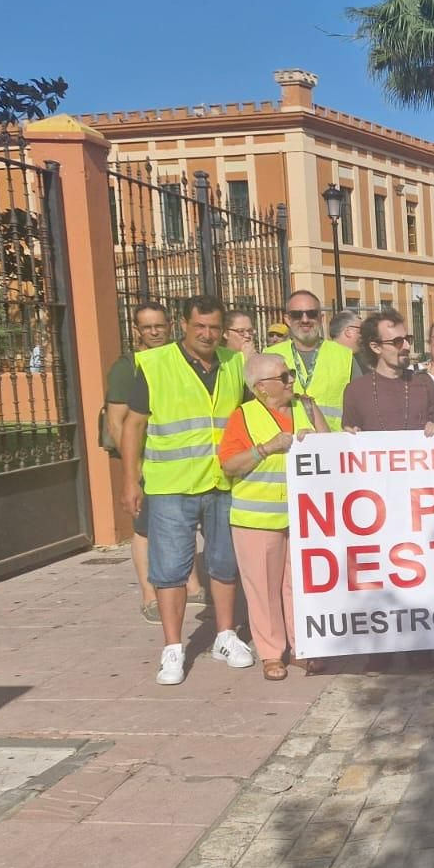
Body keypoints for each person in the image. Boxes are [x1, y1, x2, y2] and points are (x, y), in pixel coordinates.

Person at [119, 294, 254, 686]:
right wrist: (131, 480)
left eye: (214, 327)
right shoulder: (154, 364)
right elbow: (133, 426)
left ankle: (226, 636)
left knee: (224, 563)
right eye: (200, 326)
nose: (207, 334)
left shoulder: (233, 363)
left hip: (222, 481)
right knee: (170, 569)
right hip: (171, 486)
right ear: (184, 325)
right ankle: (173, 648)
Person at [219, 352, 330, 681]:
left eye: (291, 373)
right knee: (263, 590)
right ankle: (271, 653)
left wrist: (317, 433)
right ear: (261, 387)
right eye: (284, 377)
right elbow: (229, 465)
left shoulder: (304, 407)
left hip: (302, 518)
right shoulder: (244, 416)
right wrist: (265, 448)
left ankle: (302, 648)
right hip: (257, 520)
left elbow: (330, 446)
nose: (291, 380)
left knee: (300, 586)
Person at [104, 301, 205, 622]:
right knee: (145, 529)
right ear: (137, 331)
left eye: (159, 325)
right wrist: (133, 469)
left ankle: (191, 585)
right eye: (147, 327)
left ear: (171, 325)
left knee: (183, 525)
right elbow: (118, 421)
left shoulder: (177, 360)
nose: (154, 332)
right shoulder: (128, 367)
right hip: (149, 465)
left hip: (178, 462)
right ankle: (149, 595)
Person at [341, 312, 434, 433]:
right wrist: (351, 435)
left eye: (408, 339)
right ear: (376, 347)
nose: (407, 347)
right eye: (398, 342)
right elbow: (350, 438)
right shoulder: (356, 390)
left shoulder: (424, 383)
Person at [270, 291, 356, 430]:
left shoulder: (344, 356)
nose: (305, 319)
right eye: (297, 314)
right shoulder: (269, 355)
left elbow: (362, 404)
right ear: (287, 319)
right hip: (286, 446)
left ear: (321, 318)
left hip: (333, 444)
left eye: (311, 314)